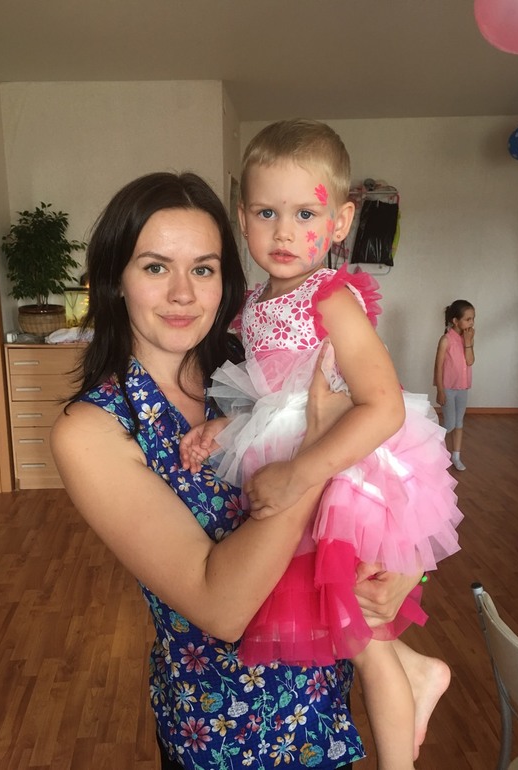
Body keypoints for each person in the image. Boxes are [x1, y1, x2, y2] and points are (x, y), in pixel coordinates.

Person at [50, 171, 420, 770]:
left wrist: (407, 570)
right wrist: (311, 451)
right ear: (115, 279)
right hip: (225, 736)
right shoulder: (95, 430)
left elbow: (385, 450)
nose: (182, 293)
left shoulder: (256, 364)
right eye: (154, 267)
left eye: (203, 269)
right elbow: (222, 607)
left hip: (323, 711)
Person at [180, 121, 461, 770]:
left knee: (366, 642)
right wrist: (224, 425)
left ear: (340, 222)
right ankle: (418, 672)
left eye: (304, 214)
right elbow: (270, 396)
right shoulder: (252, 304)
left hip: (341, 475)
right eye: (266, 213)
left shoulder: (332, 299)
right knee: (359, 631)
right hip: (301, 463)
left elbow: (383, 405)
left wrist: (297, 474)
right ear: (242, 219)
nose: (284, 232)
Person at [434, 300, 476, 471]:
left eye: (473, 319)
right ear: (455, 321)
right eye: (468, 319)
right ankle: (430, 445)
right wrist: (440, 390)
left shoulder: (468, 338)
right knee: (450, 424)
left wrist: (468, 341)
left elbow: (470, 361)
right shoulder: (446, 340)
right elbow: (438, 367)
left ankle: (456, 456)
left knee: (459, 423)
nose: (471, 322)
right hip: (448, 389)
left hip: (463, 388)